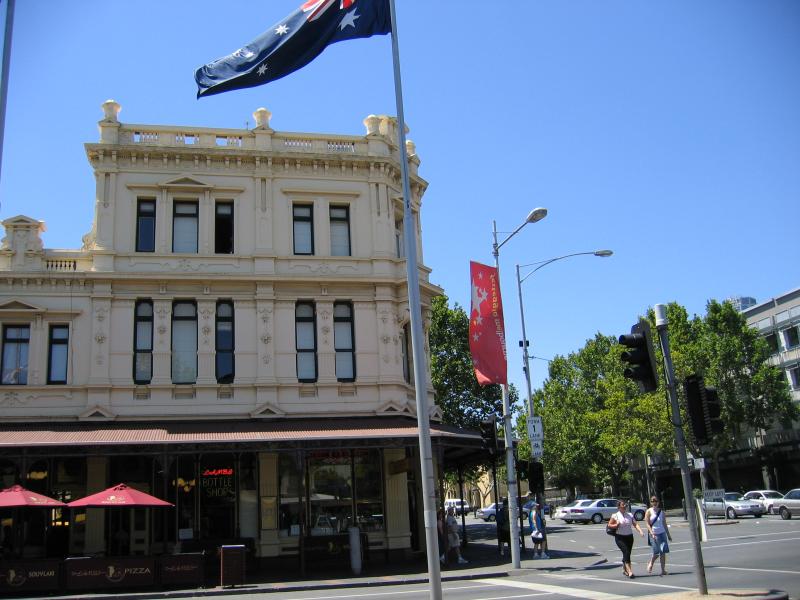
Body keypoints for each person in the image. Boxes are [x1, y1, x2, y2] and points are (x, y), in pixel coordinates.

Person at [608, 499, 644, 578]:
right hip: (620, 537)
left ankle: (624, 569)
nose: (624, 507)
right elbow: (609, 525)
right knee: (626, 552)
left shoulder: (630, 515)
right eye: (623, 505)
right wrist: (616, 525)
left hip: (629, 537)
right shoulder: (615, 515)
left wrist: (640, 531)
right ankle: (630, 571)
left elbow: (635, 524)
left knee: (627, 553)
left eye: (625, 505)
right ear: (619, 507)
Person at [645, 496, 672, 575]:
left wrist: (668, 535)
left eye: (655, 501)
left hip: (662, 533)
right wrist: (651, 533)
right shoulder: (648, 511)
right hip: (654, 533)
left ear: (658, 502)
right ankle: (651, 563)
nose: (654, 502)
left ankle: (663, 570)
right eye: (652, 501)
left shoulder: (661, 512)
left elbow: (664, 523)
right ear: (650, 502)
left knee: (663, 552)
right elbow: (647, 523)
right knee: (656, 552)